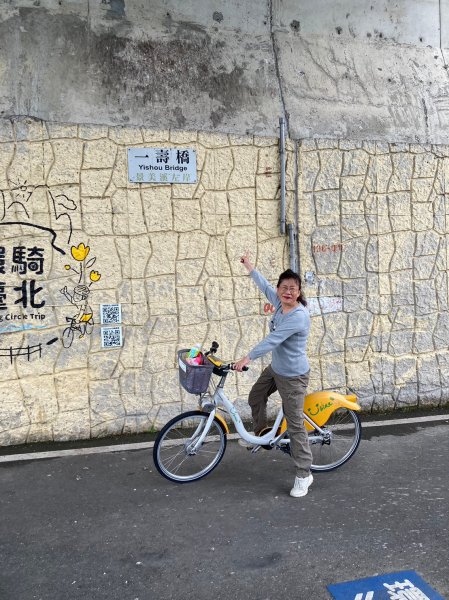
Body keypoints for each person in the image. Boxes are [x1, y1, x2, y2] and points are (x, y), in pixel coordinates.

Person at [233, 254, 313, 498]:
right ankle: (261, 436)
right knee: (255, 396)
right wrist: (250, 268)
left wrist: (247, 358)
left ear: (298, 293)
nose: (287, 292)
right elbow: (265, 287)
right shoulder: (279, 303)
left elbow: (273, 340)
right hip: (276, 369)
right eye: (284, 287)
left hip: (293, 376)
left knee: (295, 423)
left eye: (293, 289)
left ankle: (304, 474)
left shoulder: (298, 316)